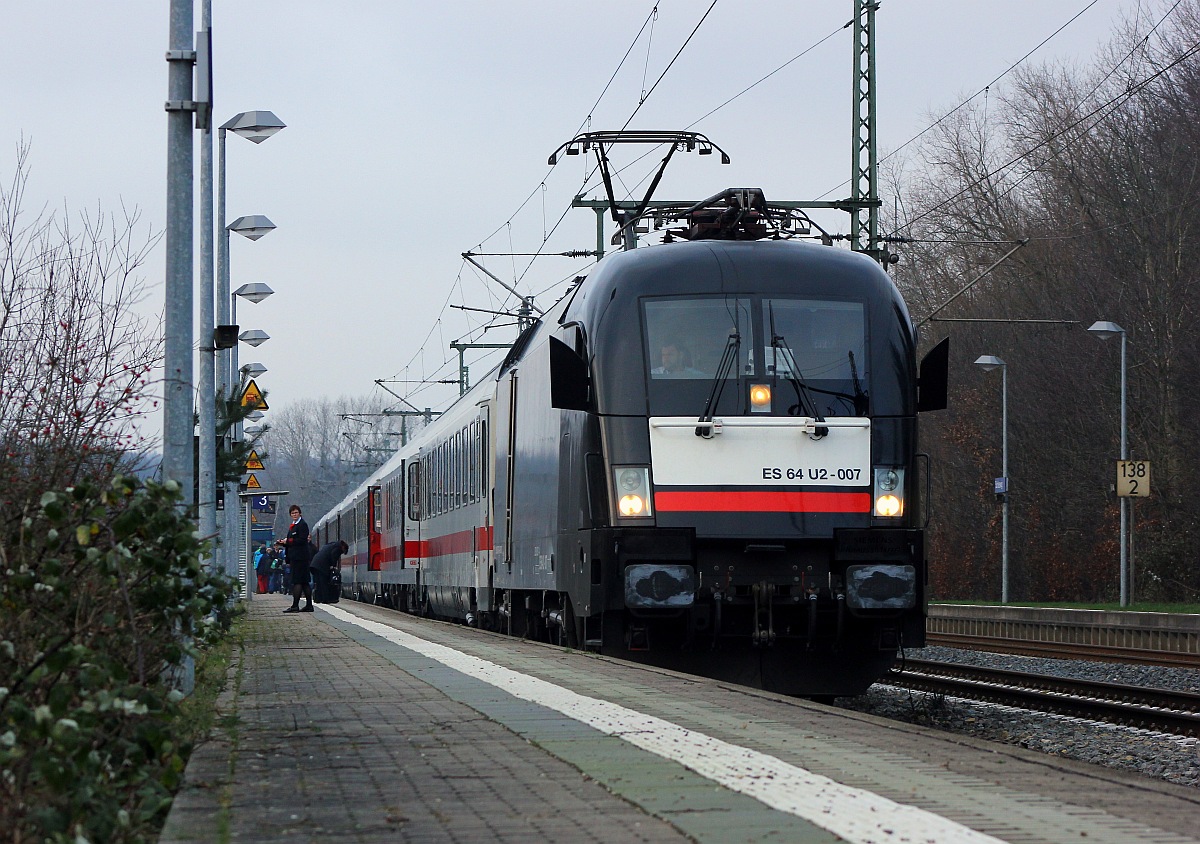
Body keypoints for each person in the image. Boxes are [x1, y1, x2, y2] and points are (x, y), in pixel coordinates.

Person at [277, 504, 313, 613]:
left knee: (297, 581)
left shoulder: (302, 525)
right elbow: (293, 541)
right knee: (304, 582)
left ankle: (295, 606)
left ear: (300, 513)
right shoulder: (293, 525)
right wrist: (283, 543)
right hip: (296, 557)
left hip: (300, 558)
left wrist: (288, 541)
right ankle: (309, 605)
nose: (294, 515)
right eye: (292, 513)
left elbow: (302, 540)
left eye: (296, 512)